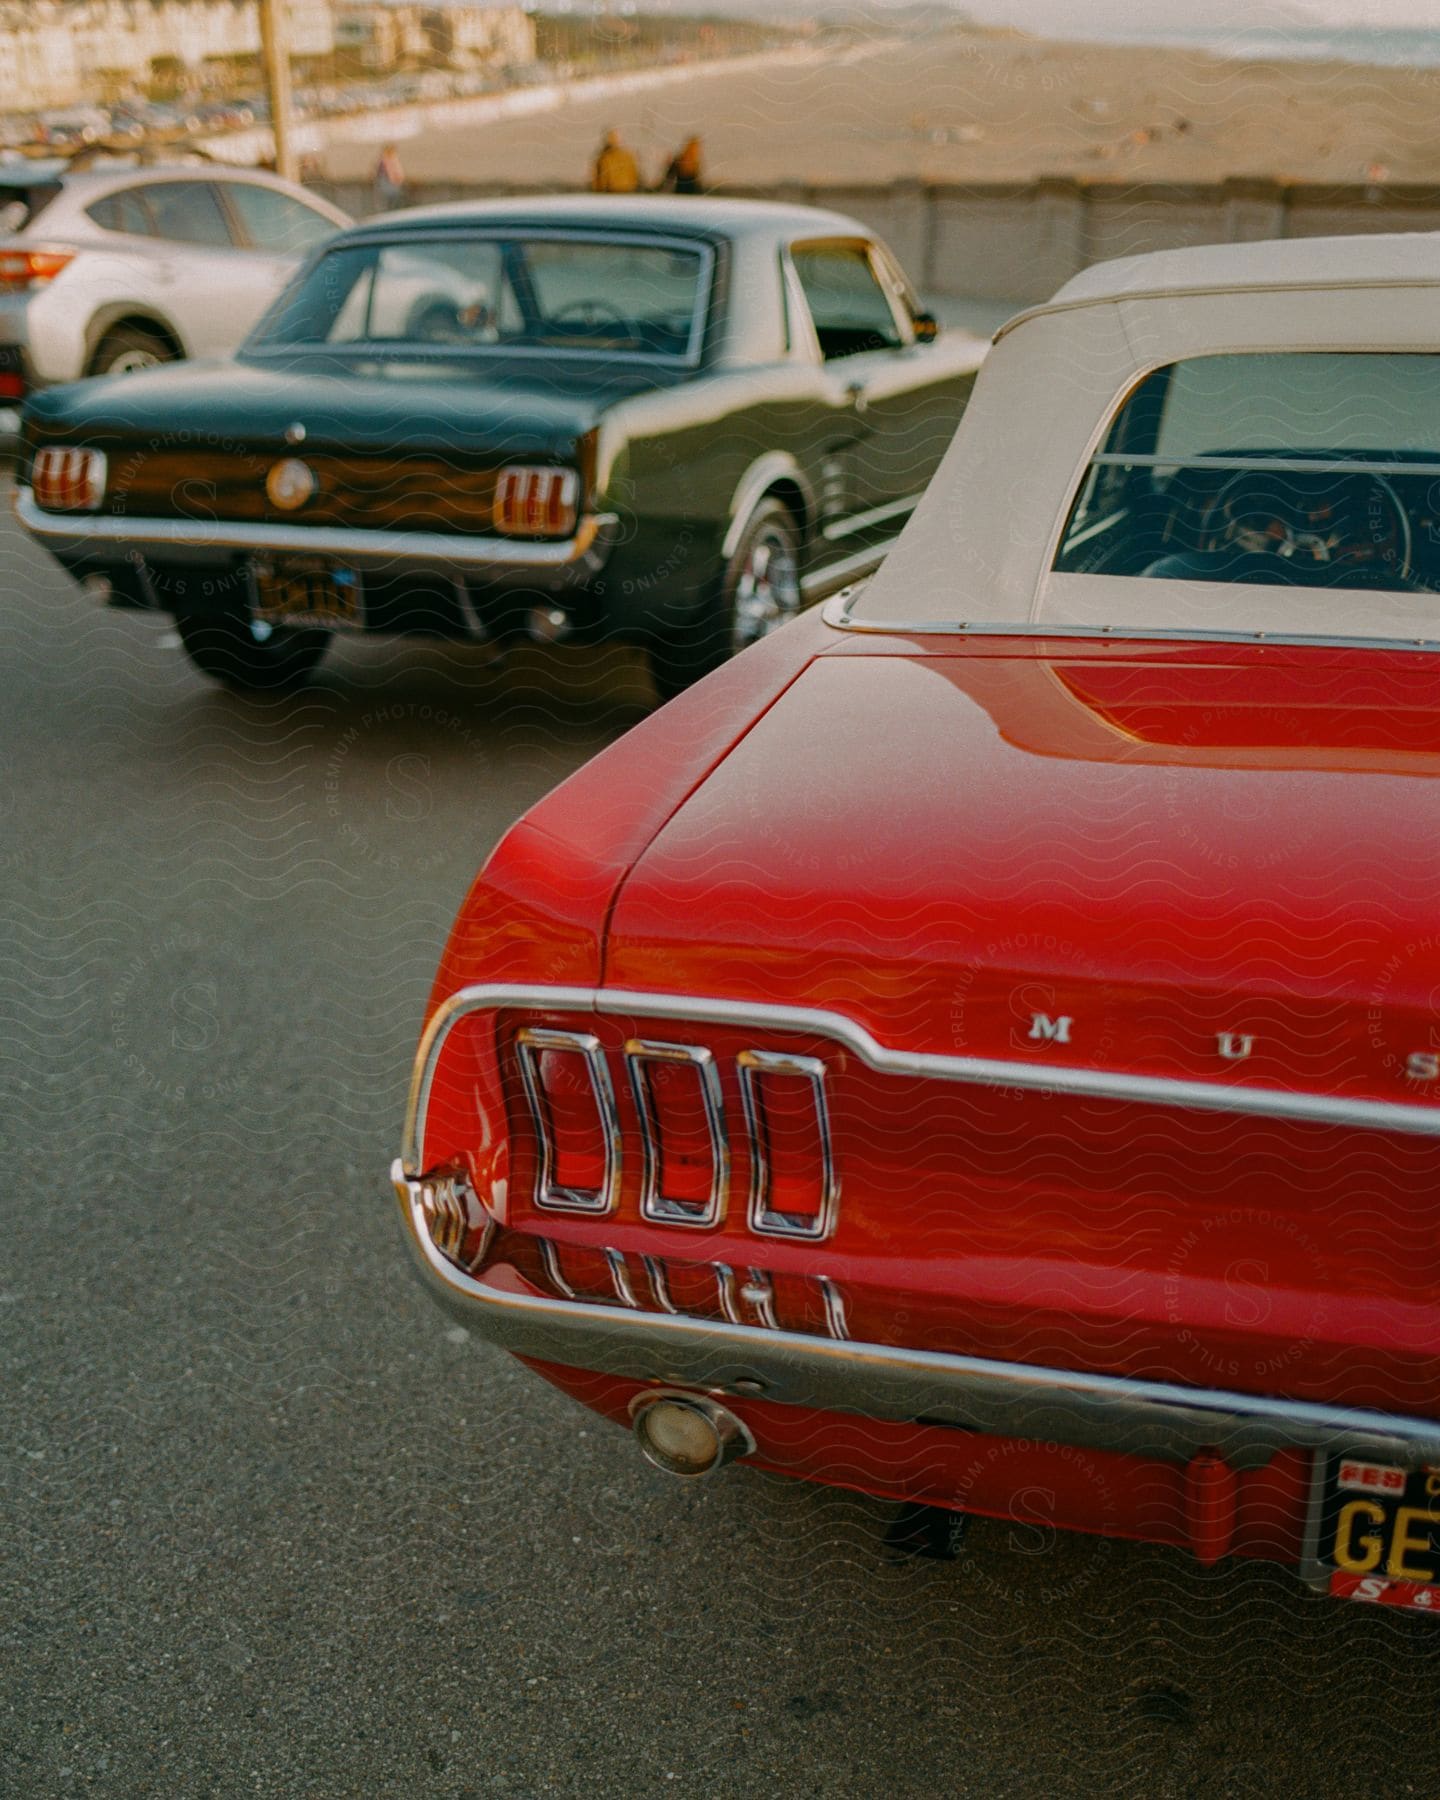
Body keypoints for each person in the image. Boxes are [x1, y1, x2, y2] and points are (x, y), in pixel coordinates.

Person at [590, 129, 640, 195]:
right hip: (615, 192)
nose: (614, 140)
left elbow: (634, 174)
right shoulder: (604, 158)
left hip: (621, 191)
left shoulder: (627, 156)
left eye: (615, 138)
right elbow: (600, 178)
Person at [373, 142, 407, 211]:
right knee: (388, 202)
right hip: (389, 184)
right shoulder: (387, 160)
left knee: (389, 202)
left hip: (391, 184)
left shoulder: (391, 160)